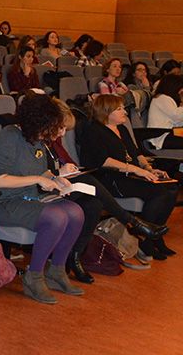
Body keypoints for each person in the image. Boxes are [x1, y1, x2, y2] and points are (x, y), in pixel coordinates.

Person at [47, 98, 167, 283]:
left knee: (94, 205)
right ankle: (133, 222)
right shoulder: (38, 142)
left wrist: (69, 169)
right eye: (61, 128)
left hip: (64, 184)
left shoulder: (54, 140)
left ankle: (75, 257)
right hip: (47, 189)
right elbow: (40, 172)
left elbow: (66, 161)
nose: (63, 133)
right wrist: (59, 173)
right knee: (90, 181)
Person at [0, 94, 85, 304]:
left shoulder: (36, 139)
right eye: (54, 126)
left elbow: (40, 172)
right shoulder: (9, 136)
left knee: (76, 213)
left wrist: (55, 179)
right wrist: (39, 179)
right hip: (0, 202)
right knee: (56, 217)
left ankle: (56, 270)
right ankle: (34, 276)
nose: (58, 133)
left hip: (27, 197)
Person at [80, 94, 177, 260]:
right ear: (106, 112)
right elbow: (103, 161)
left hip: (130, 174)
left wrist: (148, 168)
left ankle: (154, 237)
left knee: (172, 188)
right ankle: (146, 239)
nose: (125, 111)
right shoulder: (94, 131)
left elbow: (136, 153)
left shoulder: (122, 129)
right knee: (159, 192)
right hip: (111, 178)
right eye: (119, 109)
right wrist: (136, 170)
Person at [147, 75, 183, 149]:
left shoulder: (165, 98)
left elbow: (177, 120)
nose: (180, 91)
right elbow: (177, 116)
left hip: (169, 132)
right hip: (162, 136)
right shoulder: (162, 98)